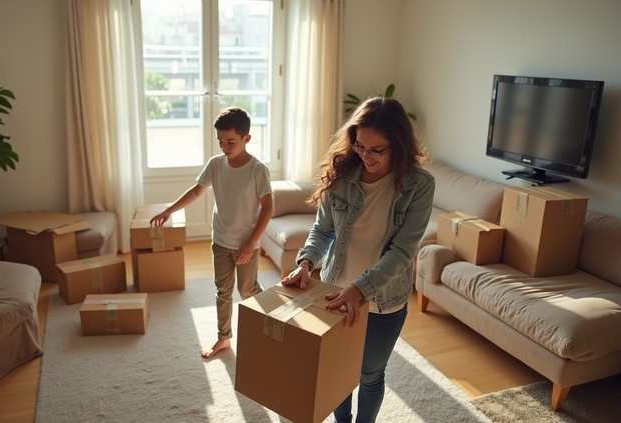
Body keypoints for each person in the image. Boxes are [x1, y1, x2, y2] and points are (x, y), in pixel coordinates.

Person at [281, 96, 434, 422]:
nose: (366, 156)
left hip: (384, 300)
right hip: (336, 291)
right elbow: (322, 231)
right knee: (337, 368)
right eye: (360, 146)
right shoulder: (342, 174)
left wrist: (360, 289)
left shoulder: (419, 186)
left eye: (376, 149)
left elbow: (403, 251)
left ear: (398, 143)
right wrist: (305, 263)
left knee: (369, 375)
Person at [150, 107, 274, 359]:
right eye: (220, 141)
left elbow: (268, 208)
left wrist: (251, 243)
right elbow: (197, 191)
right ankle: (223, 338)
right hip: (220, 241)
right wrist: (169, 210)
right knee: (223, 291)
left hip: (245, 245)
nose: (224, 146)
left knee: (248, 291)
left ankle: (272, 320)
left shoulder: (257, 170)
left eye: (230, 142)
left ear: (246, 138)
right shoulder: (216, 165)